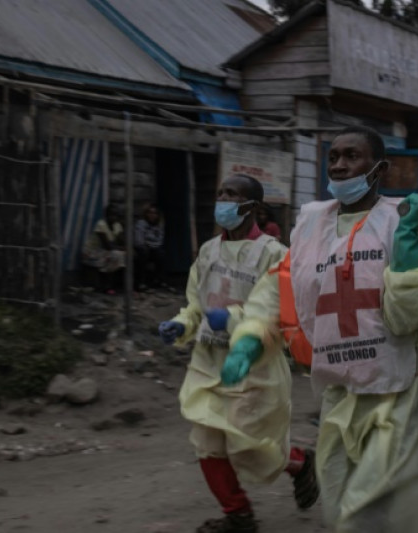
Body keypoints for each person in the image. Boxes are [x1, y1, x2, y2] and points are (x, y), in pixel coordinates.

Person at [247, 125, 418, 532]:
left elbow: (406, 318)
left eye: (352, 156)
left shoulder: (403, 221)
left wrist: (406, 250)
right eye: (333, 157)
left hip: (400, 383)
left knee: (389, 501)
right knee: (338, 494)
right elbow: (284, 285)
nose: (339, 165)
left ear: (380, 168)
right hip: (340, 383)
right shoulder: (311, 225)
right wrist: (250, 334)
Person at [157, 175, 316, 533]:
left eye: (232, 194)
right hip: (208, 363)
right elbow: (195, 304)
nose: (223, 200)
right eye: (220, 193)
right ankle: (238, 514)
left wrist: (231, 318)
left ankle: (300, 463)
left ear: (253, 207)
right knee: (208, 444)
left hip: (254, 368)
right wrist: (181, 325)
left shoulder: (275, 254)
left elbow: (278, 314)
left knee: (250, 447)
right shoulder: (209, 251)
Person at [82, 204, 126, 294]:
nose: (113, 217)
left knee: (122, 254)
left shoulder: (117, 225)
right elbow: (107, 245)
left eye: (116, 215)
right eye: (111, 215)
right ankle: (107, 285)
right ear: (106, 215)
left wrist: (123, 246)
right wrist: (120, 247)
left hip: (104, 251)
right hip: (92, 252)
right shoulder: (101, 225)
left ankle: (116, 285)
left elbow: (121, 240)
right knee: (116, 255)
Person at [134, 204, 166, 290]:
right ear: (146, 214)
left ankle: (159, 280)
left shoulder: (159, 225)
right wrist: (149, 244)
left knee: (161, 254)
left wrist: (151, 245)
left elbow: (159, 240)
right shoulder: (141, 224)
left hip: (153, 248)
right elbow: (139, 240)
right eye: (150, 213)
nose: (152, 215)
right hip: (141, 248)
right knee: (143, 252)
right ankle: (140, 282)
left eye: (155, 213)